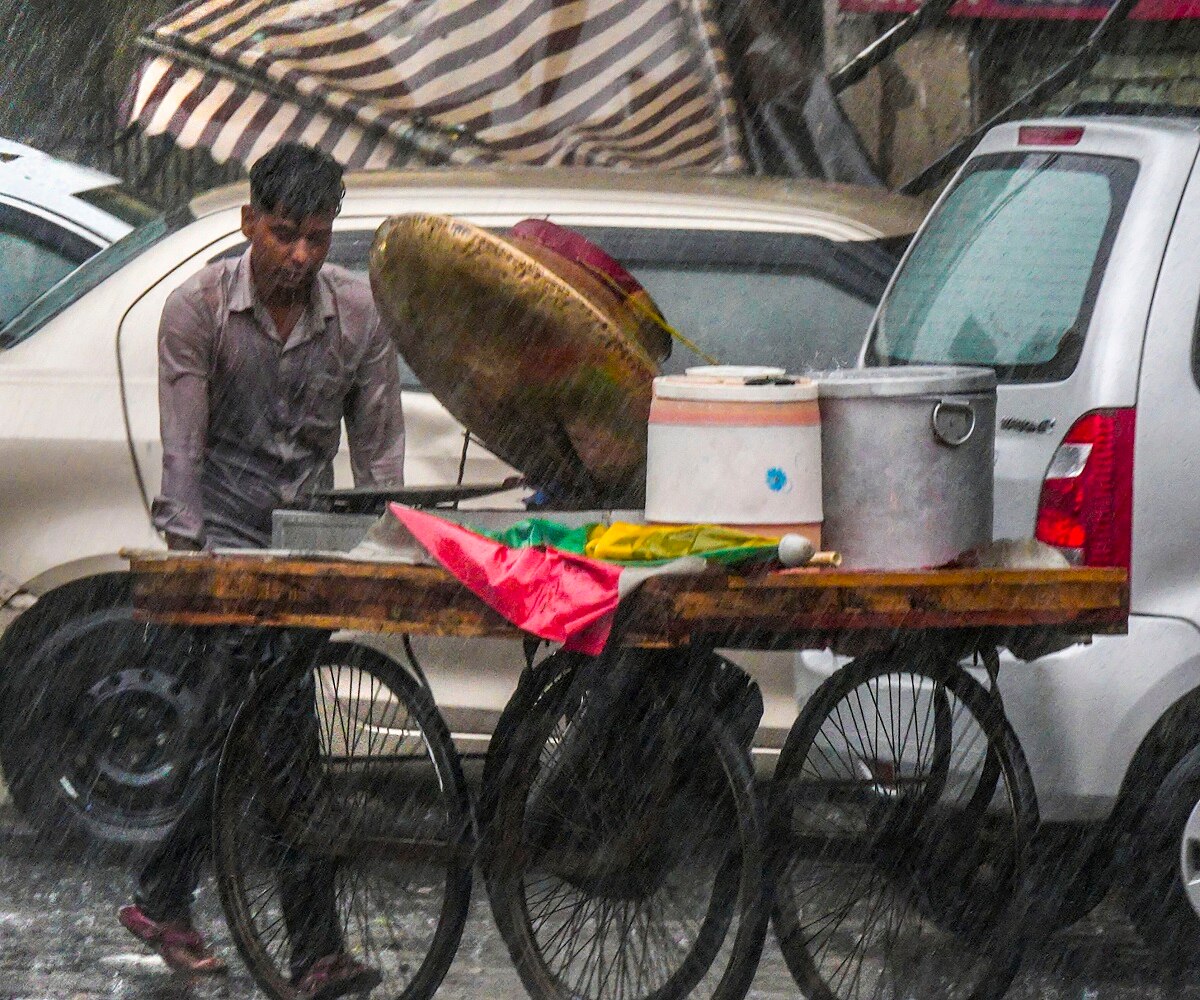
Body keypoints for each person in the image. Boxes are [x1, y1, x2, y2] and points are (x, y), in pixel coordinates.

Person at [117, 142, 405, 999]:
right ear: (248, 224)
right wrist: (197, 575)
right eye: (285, 235)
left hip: (309, 558)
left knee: (247, 747)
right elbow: (183, 460)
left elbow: (383, 461)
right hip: (225, 560)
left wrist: (389, 559)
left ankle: (163, 892)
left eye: (318, 238)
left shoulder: (359, 315)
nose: (301, 256)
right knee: (283, 750)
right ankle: (312, 949)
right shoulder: (196, 310)